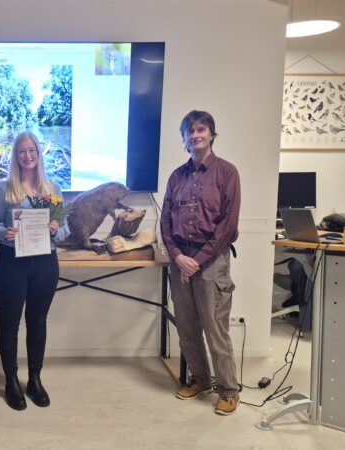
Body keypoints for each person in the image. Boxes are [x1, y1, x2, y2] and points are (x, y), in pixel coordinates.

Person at [159, 110, 242, 416]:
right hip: (181, 260)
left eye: (201, 129)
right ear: (184, 138)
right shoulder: (176, 177)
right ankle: (201, 380)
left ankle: (229, 390)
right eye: (190, 131)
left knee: (215, 329)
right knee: (188, 328)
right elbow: (165, 222)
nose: (195, 135)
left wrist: (198, 260)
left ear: (211, 134)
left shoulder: (227, 173)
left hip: (212, 261)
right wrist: (179, 257)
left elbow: (228, 225)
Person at [0, 132, 70, 410]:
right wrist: (4, 232)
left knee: (38, 321)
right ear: (15, 155)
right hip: (11, 262)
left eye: (32, 150)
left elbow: (66, 229)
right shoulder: (4, 189)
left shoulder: (52, 189)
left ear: (39, 153)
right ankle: (11, 381)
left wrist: (56, 230)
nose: (28, 155)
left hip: (45, 263)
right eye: (22, 151)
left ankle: (34, 379)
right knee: (10, 322)